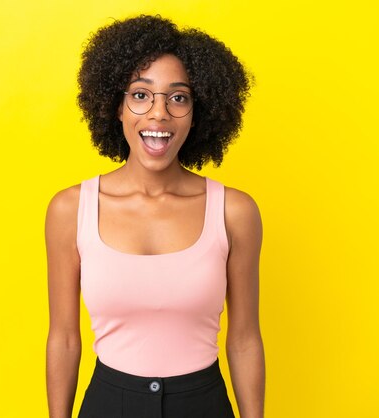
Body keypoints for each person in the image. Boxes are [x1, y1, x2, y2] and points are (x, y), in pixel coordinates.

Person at [45, 14, 265, 418]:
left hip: (204, 404)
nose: (159, 113)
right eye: (141, 95)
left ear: (198, 113)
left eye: (178, 97)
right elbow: (63, 338)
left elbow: (245, 339)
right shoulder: (70, 209)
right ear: (116, 107)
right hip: (109, 403)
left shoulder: (235, 212)